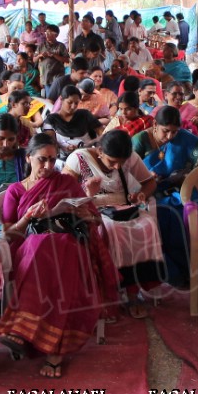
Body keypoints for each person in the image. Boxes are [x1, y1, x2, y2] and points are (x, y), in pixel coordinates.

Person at [0, 133, 119, 378]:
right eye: (42, 160)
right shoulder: (15, 190)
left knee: (59, 253)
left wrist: (85, 213)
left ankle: (36, 340)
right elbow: (9, 233)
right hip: (30, 244)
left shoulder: (66, 183)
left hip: (68, 241)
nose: (48, 166)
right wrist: (28, 217)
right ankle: (37, 338)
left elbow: (95, 219)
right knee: (42, 250)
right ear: (29, 158)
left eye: (53, 160)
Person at [64, 130, 160, 318]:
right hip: (90, 210)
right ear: (99, 151)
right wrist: (88, 194)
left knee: (147, 226)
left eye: (121, 162)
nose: (118, 166)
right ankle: (109, 294)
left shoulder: (129, 157)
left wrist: (141, 195)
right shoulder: (79, 159)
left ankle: (133, 291)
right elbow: (65, 196)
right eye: (112, 161)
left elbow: (149, 183)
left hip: (122, 208)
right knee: (111, 230)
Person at [133, 106, 198, 289]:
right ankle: (174, 272)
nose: (170, 137)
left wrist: (185, 174)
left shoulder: (184, 139)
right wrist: (149, 176)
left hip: (178, 187)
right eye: (166, 131)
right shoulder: (140, 141)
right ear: (155, 124)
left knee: (192, 207)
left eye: (175, 132)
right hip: (148, 191)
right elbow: (128, 173)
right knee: (166, 214)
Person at [45, 85, 103, 158]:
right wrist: (63, 146)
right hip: (62, 158)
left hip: (86, 154)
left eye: (76, 103)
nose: (73, 106)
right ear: (61, 99)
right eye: (69, 102)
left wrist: (90, 143)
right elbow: (49, 142)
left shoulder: (85, 115)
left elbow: (103, 132)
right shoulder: (51, 119)